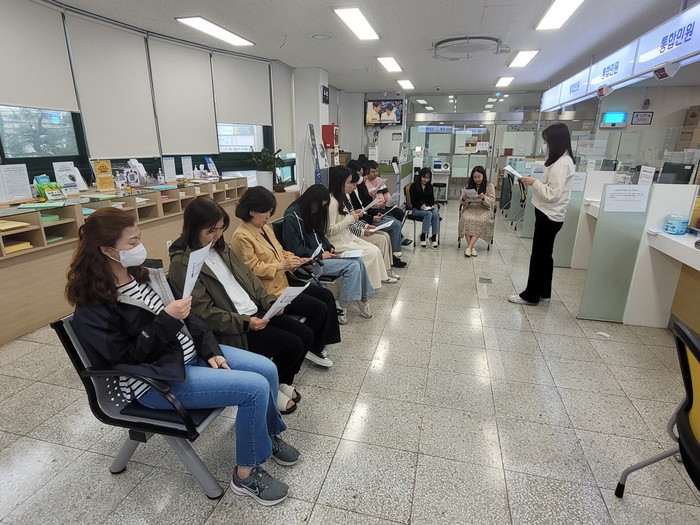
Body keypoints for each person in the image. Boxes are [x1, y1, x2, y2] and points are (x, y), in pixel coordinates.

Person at [66, 207, 297, 506]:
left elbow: (191, 319)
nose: (139, 247)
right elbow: (127, 356)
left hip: (189, 355)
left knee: (266, 368)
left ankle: (267, 436)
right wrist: (166, 319)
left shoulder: (148, 275)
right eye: (132, 242)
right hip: (157, 380)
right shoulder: (93, 305)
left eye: (139, 238)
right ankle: (245, 475)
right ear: (107, 250)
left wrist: (210, 350)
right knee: (254, 388)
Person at [168, 197, 310, 415]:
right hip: (235, 328)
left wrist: (269, 301)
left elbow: (249, 278)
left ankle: (279, 382)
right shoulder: (183, 264)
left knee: (305, 335)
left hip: (255, 312)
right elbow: (203, 313)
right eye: (211, 230)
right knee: (291, 344)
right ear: (194, 228)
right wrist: (245, 323)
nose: (217, 235)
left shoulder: (220, 249)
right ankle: (271, 390)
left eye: (220, 229)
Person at [230, 186, 340, 368]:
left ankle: (317, 341)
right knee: (318, 307)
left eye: (270, 212)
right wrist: (281, 266)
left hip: (283, 282)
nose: (268, 216)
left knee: (326, 296)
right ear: (251, 211)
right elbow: (251, 270)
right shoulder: (241, 236)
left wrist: (297, 260)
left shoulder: (264, 228)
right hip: (269, 292)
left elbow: (280, 252)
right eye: (265, 212)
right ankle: (312, 347)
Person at [282, 184, 374, 324]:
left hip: (320, 257)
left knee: (358, 261)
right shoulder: (292, 217)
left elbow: (319, 235)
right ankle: (342, 307)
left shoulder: (309, 212)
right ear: (311, 201)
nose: (319, 209)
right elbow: (295, 249)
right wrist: (320, 255)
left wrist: (329, 247)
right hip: (307, 263)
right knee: (352, 266)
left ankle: (362, 299)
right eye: (319, 206)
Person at [508, 123, 575, 306]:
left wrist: (534, 183)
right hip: (552, 215)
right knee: (546, 255)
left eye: (547, 142)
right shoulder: (563, 161)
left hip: (548, 215)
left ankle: (531, 295)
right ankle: (544, 291)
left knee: (538, 256)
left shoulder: (561, 164)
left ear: (556, 141)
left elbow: (553, 194)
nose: (545, 146)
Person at [327, 166, 397, 287]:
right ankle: (367, 285)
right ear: (339, 183)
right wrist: (353, 220)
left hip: (348, 237)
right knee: (373, 252)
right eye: (349, 183)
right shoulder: (332, 202)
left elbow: (346, 219)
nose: (353, 186)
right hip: (339, 242)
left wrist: (356, 218)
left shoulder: (342, 198)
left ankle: (373, 281)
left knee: (375, 249)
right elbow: (330, 230)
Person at [347, 166, 406, 266]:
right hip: (363, 221)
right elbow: (354, 217)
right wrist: (371, 219)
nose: (363, 177)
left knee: (396, 215)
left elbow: (366, 206)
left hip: (368, 216)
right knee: (394, 225)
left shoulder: (360, 187)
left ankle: (393, 253)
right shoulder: (350, 193)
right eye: (361, 175)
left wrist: (375, 212)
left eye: (363, 174)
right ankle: (394, 254)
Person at [459, 165, 496, 257]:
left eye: (479, 177)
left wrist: (484, 198)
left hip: (484, 208)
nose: (477, 179)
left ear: (483, 175)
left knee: (480, 220)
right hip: (471, 206)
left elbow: (492, 201)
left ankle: (469, 247)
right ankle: (471, 248)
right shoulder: (468, 185)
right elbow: (462, 201)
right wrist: (464, 198)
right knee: (466, 218)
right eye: (474, 177)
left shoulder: (489, 186)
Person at [409, 167, 441, 248]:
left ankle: (433, 237)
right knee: (429, 214)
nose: (426, 180)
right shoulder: (413, 186)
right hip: (416, 209)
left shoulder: (430, 186)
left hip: (427, 208)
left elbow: (431, 199)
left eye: (428, 178)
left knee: (435, 214)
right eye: (424, 177)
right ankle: (423, 235)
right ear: (420, 176)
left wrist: (432, 205)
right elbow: (413, 201)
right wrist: (420, 206)